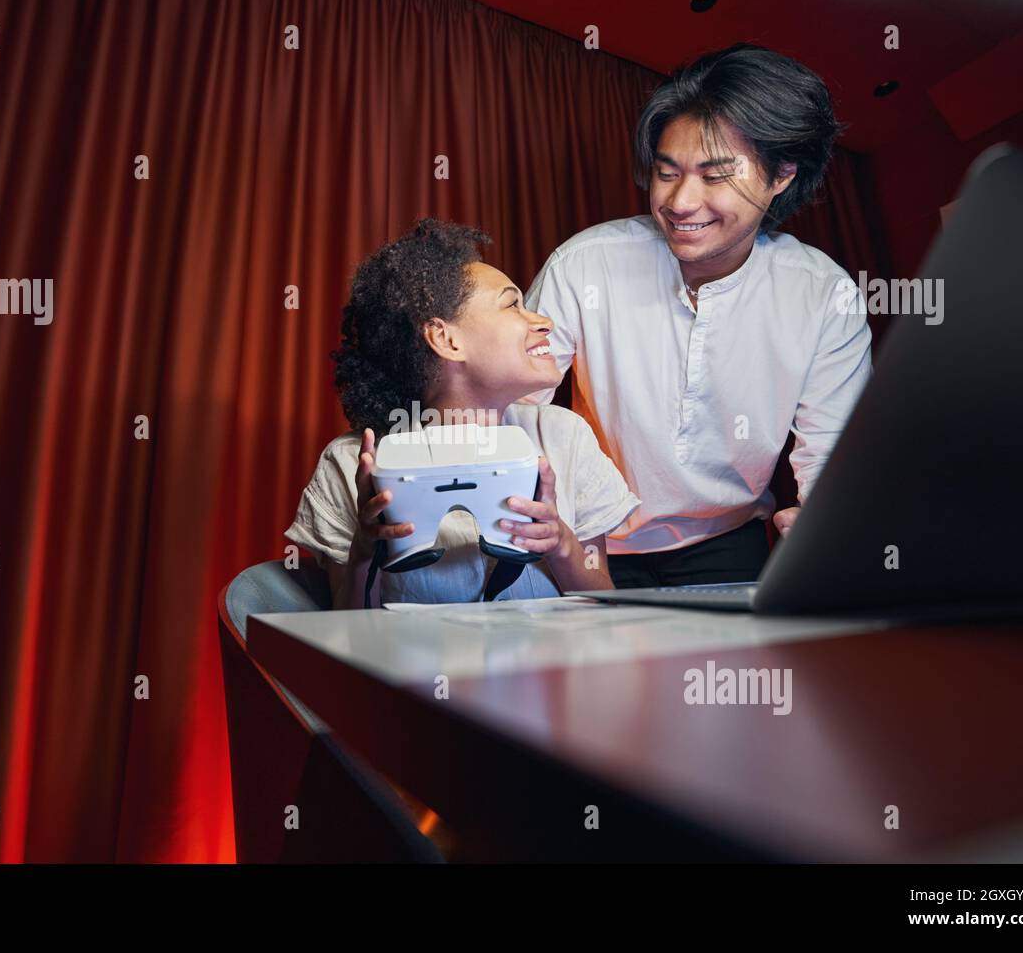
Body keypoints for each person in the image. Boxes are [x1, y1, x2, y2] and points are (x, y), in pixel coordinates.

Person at [525, 43, 873, 588]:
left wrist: (825, 523)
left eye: (715, 176)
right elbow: (514, 403)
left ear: (781, 175)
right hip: (585, 537)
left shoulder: (822, 294)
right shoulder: (586, 263)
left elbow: (835, 449)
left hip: (727, 540)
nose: (681, 202)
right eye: (667, 172)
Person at [285, 219, 640, 608]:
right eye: (512, 305)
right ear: (446, 339)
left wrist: (561, 544)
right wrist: (365, 553)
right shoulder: (352, 464)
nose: (543, 321)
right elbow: (347, 633)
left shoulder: (565, 437)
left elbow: (604, 606)